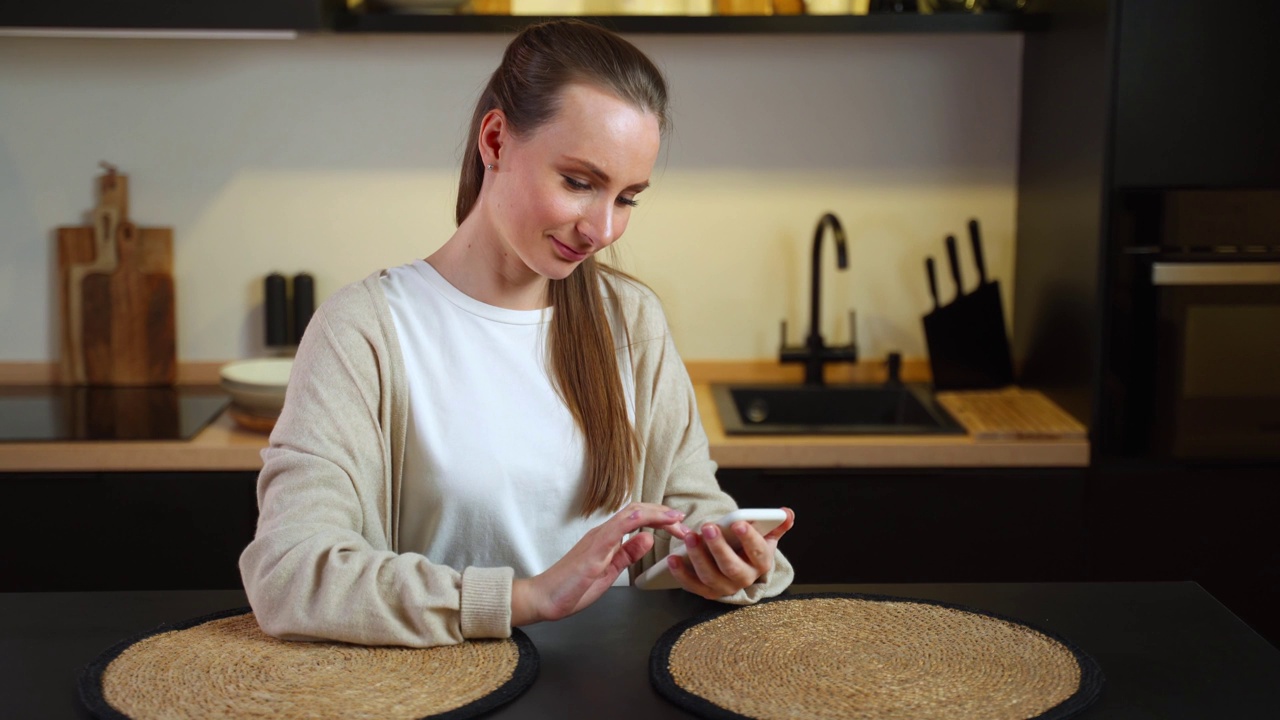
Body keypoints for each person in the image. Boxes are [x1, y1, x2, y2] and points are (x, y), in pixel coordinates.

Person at [239, 18, 795, 648]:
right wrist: (524, 599)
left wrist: (723, 554)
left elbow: (683, 510)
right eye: (580, 183)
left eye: (628, 197)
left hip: (611, 689)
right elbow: (290, 574)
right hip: (437, 692)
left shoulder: (631, 321)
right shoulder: (364, 331)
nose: (603, 230)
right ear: (497, 141)